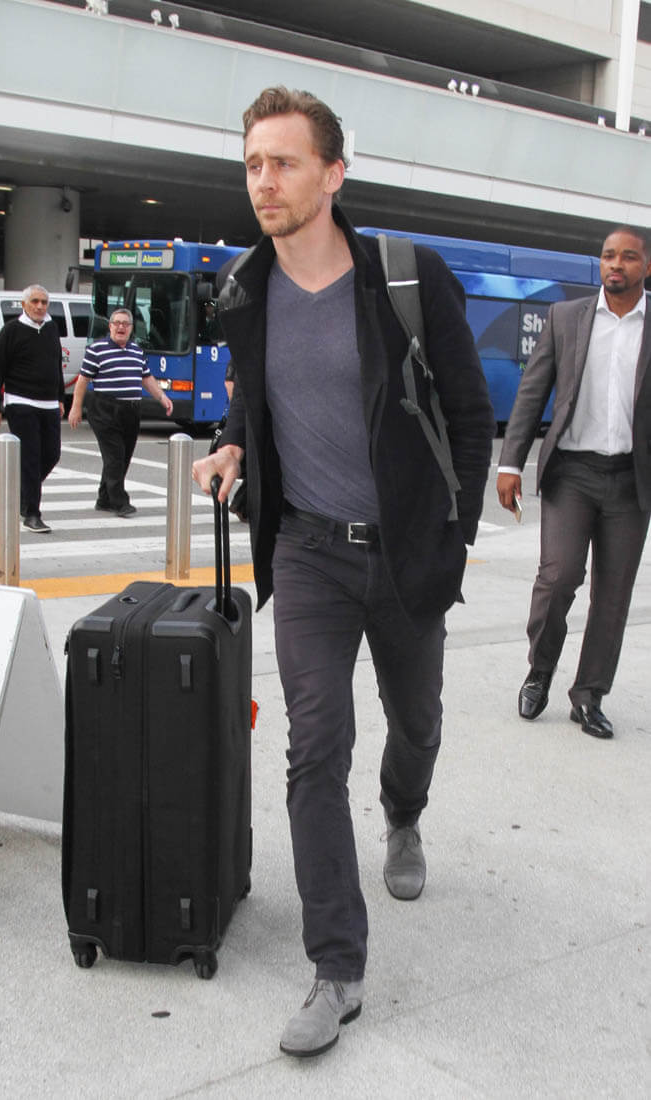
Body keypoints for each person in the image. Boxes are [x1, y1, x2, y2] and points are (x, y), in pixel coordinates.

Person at [192, 85, 495, 1058]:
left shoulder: (405, 277)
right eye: (252, 164)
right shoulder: (244, 287)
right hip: (308, 551)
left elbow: (469, 414)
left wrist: (453, 539)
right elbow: (256, 396)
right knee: (314, 748)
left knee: (417, 723)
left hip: (405, 552)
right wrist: (232, 442)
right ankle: (337, 967)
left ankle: (403, 815)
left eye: (283, 162)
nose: (263, 181)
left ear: (332, 173)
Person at [497, 226, 651, 740]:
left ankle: (588, 696)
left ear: (646, 266)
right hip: (573, 474)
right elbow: (532, 391)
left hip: (632, 481)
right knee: (558, 577)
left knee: (613, 595)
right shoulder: (566, 318)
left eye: (628, 257)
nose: (616, 264)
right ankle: (540, 669)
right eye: (608, 256)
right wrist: (510, 463)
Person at [68, 308, 173, 516]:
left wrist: (162, 397)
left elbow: (146, 378)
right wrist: (76, 407)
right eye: (117, 323)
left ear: (131, 328)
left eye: (126, 324)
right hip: (105, 409)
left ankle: (104, 499)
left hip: (130, 410)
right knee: (114, 456)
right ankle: (119, 502)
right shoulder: (96, 350)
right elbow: (83, 380)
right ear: (110, 326)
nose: (121, 327)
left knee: (122, 456)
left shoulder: (136, 351)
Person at [0, 284, 65, 533]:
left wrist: (60, 398)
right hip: (21, 402)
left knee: (51, 454)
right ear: (24, 304)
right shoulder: (11, 330)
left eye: (44, 302)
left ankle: (24, 494)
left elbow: (56, 364)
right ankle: (32, 513)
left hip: (49, 403)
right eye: (35, 301)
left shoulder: (52, 328)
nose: (40, 306)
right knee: (30, 457)